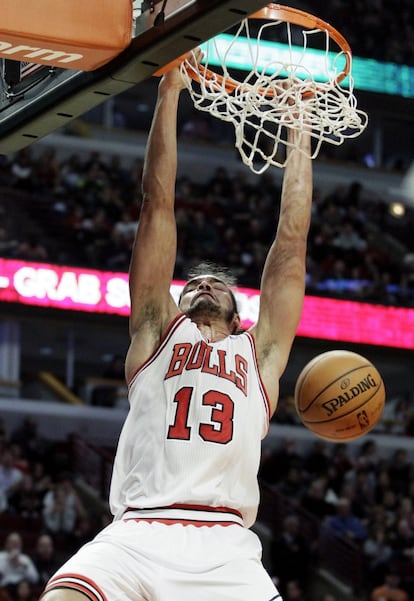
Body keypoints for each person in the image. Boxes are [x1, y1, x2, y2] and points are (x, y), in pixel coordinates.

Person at [40, 49, 313, 601]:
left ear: (239, 312)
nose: (204, 283)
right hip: (138, 531)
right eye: (192, 283)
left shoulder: (259, 357)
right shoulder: (155, 332)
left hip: (226, 547)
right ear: (176, 301)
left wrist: (299, 132)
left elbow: (290, 244)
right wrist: (168, 95)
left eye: (217, 282)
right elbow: (156, 205)